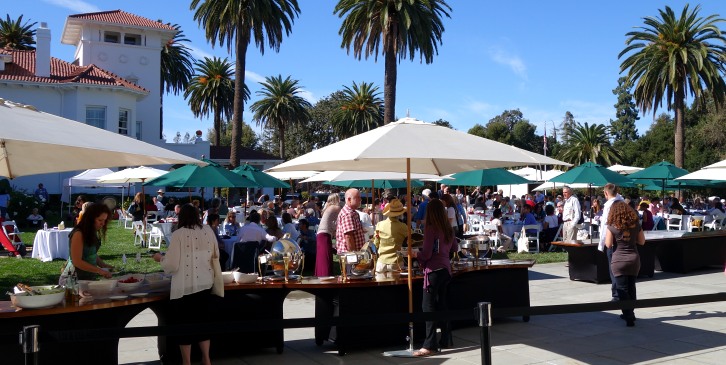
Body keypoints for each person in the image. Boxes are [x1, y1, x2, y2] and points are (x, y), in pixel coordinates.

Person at [152, 204, 219, 365]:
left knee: (184, 328)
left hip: (185, 288)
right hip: (206, 283)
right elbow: (215, 254)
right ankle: (206, 359)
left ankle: (187, 362)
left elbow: (172, 265)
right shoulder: (208, 230)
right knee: (203, 324)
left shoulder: (178, 235)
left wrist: (160, 258)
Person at [413, 199, 458, 357]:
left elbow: (426, 254)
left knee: (428, 306)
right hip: (446, 270)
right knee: (443, 305)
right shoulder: (448, 228)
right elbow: (455, 247)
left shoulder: (431, 228)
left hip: (433, 270)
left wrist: (414, 254)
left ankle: (429, 344)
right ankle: (446, 339)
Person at [605, 201, 645, 327]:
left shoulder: (612, 226)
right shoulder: (636, 225)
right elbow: (642, 242)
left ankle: (627, 314)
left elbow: (608, 244)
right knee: (631, 286)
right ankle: (631, 312)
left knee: (622, 288)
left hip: (619, 260)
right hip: (633, 258)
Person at [61, 203, 114, 282]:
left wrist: (103, 265)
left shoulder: (91, 231)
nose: (103, 223)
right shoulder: (78, 234)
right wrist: (99, 270)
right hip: (72, 279)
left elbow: (90, 253)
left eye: (104, 220)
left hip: (87, 278)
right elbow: (77, 261)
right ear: (90, 219)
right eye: (100, 220)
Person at [599, 183, 624, 300]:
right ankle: (622, 294)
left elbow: (606, 226)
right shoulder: (622, 202)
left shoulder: (609, 205)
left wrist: (602, 243)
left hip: (612, 240)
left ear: (605, 193)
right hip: (624, 240)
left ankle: (616, 294)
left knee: (613, 268)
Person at [374, 199, 408, 276]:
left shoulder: (380, 225)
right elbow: (413, 240)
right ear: (400, 214)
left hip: (381, 262)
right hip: (396, 263)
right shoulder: (403, 227)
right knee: (394, 288)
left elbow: (376, 243)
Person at [316, 193, 341, 276]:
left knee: (322, 257)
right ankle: (325, 275)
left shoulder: (328, 208)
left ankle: (320, 275)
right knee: (326, 257)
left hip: (321, 234)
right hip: (325, 234)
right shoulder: (336, 207)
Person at [335, 188, 365, 254]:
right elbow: (348, 237)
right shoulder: (348, 214)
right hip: (350, 256)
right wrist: (354, 255)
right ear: (349, 200)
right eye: (358, 197)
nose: (360, 200)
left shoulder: (353, 212)